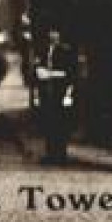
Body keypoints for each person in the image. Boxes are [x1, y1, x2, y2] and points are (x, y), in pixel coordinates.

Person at [34, 27, 78, 165]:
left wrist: (51, 74)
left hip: (60, 91)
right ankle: (50, 153)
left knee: (61, 124)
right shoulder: (43, 50)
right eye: (51, 32)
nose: (52, 35)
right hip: (47, 92)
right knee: (48, 123)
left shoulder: (66, 51)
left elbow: (70, 73)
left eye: (55, 33)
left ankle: (61, 154)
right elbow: (37, 69)